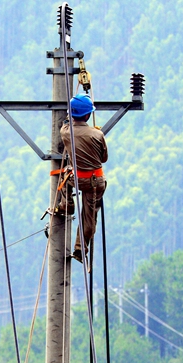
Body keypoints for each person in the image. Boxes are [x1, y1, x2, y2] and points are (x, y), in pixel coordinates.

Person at [60, 93, 108, 265]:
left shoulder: (66, 133)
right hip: (96, 181)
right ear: (88, 115)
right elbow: (104, 158)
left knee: (63, 173)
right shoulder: (98, 135)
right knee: (89, 216)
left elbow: (66, 122)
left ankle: (67, 203)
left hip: (77, 179)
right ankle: (81, 248)